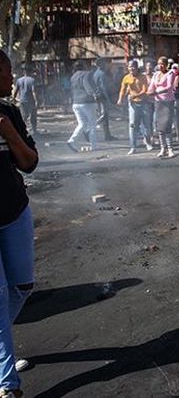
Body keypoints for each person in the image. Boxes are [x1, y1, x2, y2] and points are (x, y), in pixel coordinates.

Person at [0, 49, 38, 398]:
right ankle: (7, 383)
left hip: (14, 212)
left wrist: (8, 132)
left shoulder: (9, 111)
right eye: (7, 72)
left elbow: (30, 163)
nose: (12, 79)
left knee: (22, 287)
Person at [117, 60, 152, 155]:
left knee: (146, 125)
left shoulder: (143, 77)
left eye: (133, 67)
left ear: (137, 68)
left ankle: (148, 142)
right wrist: (120, 99)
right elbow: (122, 90)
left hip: (144, 103)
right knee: (132, 125)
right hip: (132, 104)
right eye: (130, 67)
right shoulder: (126, 78)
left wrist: (136, 95)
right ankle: (133, 146)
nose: (131, 68)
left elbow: (145, 90)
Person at [148, 56, 177, 158]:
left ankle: (170, 149)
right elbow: (151, 85)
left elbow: (169, 87)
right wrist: (149, 91)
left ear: (166, 65)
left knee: (167, 125)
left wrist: (157, 91)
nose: (160, 66)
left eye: (162, 64)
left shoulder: (170, 73)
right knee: (159, 126)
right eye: (159, 64)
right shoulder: (156, 74)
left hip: (168, 102)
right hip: (158, 102)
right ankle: (162, 148)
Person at [66, 61, 98, 152]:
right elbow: (87, 86)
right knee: (92, 124)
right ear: (83, 66)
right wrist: (94, 94)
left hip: (76, 102)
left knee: (82, 124)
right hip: (87, 102)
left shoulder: (73, 76)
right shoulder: (86, 74)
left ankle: (71, 140)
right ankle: (93, 145)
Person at [93, 58, 116, 141]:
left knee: (104, 117)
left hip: (98, 96)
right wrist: (109, 99)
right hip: (102, 97)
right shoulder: (102, 74)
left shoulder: (96, 73)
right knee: (104, 115)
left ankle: (107, 135)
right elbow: (104, 88)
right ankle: (89, 128)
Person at [11, 66, 38, 136]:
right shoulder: (32, 80)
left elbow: (16, 91)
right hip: (30, 101)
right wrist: (36, 100)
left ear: (24, 72)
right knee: (33, 116)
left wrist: (13, 99)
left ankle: (22, 131)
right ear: (30, 72)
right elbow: (33, 91)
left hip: (22, 100)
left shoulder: (19, 80)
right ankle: (34, 131)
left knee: (24, 116)